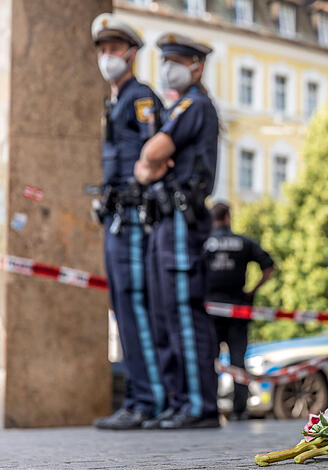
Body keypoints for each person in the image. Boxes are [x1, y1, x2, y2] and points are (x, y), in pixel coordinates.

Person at [134, 33, 220, 429]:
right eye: (166, 60)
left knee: (185, 314)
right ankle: (178, 401)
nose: (168, 68)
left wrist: (152, 160)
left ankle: (200, 405)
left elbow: (151, 155)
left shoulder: (194, 105)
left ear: (196, 66)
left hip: (184, 223)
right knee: (164, 314)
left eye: (176, 61)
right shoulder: (177, 108)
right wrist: (150, 163)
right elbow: (147, 163)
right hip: (166, 222)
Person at [90, 14, 166, 430]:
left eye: (114, 49)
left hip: (134, 217)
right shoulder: (116, 101)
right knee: (123, 306)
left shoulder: (140, 97)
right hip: (117, 216)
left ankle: (148, 400)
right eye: (102, 50)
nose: (107, 57)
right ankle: (139, 397)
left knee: (136, 305)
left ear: (132, 52)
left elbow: (153, 155)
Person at [204, 202, 275, 420]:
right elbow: (269, 266)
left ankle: (209, 408)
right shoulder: (243, 242)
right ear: (227, 218)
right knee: (238, 359)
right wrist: (251, 291)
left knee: (209, 360)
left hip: (210, 310)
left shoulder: (203, 243)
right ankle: (239, 410)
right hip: (238, 308)